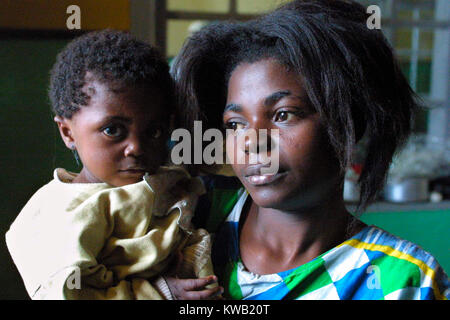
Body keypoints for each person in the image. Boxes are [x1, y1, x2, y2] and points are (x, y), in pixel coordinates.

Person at [171, 0, 450, 299]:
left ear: (350, 126)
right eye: (236, 124)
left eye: (283, 114)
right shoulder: (189, 214)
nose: (251, 142)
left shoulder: (404, 282)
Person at [5, 30, 223, 300]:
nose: (137, 147)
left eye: (154, 131)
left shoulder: (169, 184)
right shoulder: (55, 214)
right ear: (68, 132)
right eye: (112, 130)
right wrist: (160, 292)